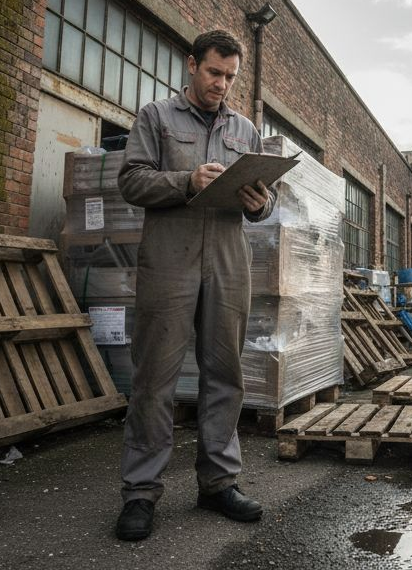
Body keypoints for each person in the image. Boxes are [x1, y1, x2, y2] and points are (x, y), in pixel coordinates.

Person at [113, 28, 276, 541]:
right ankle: (141, 492)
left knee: (225, 374)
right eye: (213, 72)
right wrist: (186, 181)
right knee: (155, 377)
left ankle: (219, 483)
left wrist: (261, 204)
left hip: (227, 261)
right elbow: (130, 180)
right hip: (169, 259)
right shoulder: (156, 117)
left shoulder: (244, 130)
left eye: (230, 76)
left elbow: (264, 200)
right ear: (191, 65)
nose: (221, 84)